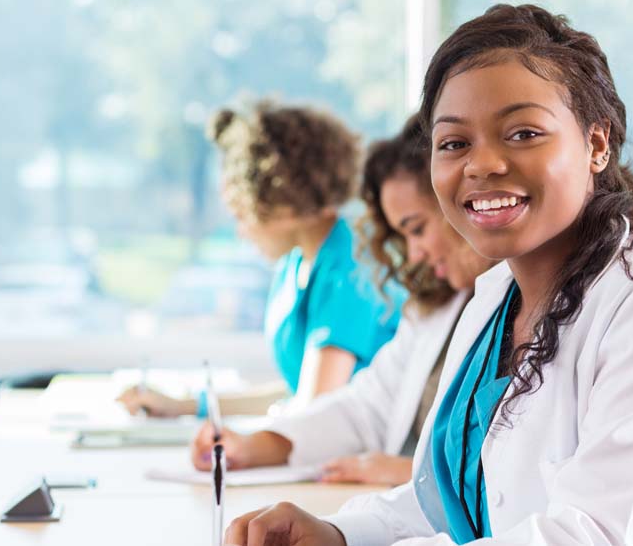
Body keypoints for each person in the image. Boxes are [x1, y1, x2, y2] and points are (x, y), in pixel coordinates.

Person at [224, 4, 633, 545]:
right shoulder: (495, 301)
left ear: (596, 143)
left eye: (523, 133)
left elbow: (595, 538)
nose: (482, 164)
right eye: (454, 143)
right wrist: (341, 533)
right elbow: (444, 505)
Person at [189, 115, 496, 486]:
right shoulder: (437, 309)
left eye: (417, 229)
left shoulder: (524, 305)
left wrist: (406, 473)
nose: (413, 255)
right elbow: (364, 409)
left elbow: (512, 473)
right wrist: (256, 445)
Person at [118, 101, 403, 417]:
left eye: (243, 215)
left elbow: (314, 408)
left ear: (282, 204)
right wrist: (187, 406)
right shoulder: (296, 262)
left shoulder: (350, 266)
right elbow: (298, 393)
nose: (242, 232)